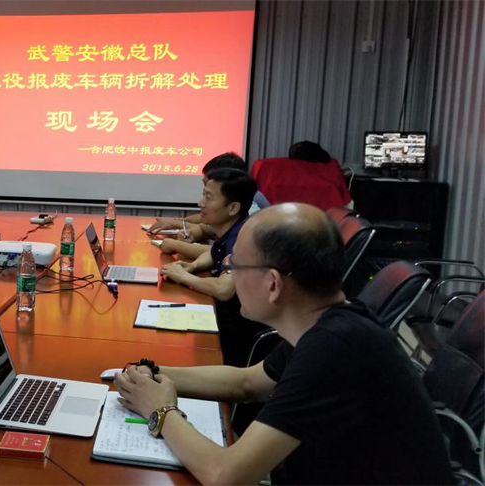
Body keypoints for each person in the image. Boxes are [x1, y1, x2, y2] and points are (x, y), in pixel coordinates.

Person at [114, 203, 453, 486]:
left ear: (273, 284)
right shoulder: (326, 322)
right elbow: (246, 383)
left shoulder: (336, 349)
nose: (228, 273)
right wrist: (151, 375)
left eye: (234, 266)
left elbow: (224, 475)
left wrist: (161, 410)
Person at [160, 168, 269, 368]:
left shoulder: (245, 236)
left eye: (209, 198)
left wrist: (184, 276)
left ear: (233, 208)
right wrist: (192, 266)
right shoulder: (234, 228)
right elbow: (213, 253)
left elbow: (224, 289)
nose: (200, 203)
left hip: (241, 336)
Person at [149, 153, 269, 260]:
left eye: (209, 195)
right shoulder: (230, 207)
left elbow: (222, 253)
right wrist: (188, 230)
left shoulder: (250, 213)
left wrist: (177, 245)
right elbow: (205, 229)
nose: (201, 203)